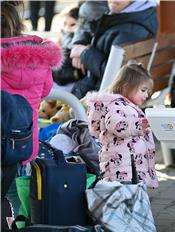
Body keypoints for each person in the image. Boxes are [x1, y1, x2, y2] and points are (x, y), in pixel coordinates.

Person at [1, 0, 62, 219]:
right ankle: (23, 228)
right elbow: (45, 91)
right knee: (18, 197)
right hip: (24, 145)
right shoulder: (38, 56)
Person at [87, 62, 158, 188]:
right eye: (143, 90)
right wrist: (139, 125)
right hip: (121, 168)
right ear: (126, 87)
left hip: (130, 166)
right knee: (122, 196)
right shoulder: (115, 105)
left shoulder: (128, 107)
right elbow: (116, 125)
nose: (146, 95)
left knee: (131, 195)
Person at [70, 0, 158, 99]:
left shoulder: (130, 30)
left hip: (96, 100)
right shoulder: (139, 16)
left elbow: (119, 77)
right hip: (97, 93)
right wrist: (79, 46)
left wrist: (84, 53)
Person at [52, 6, 85, 87]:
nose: (67, 28)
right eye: (65, 24)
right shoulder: (60, 40)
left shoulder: (75, 41)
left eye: (73, 25)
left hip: (68, 84)